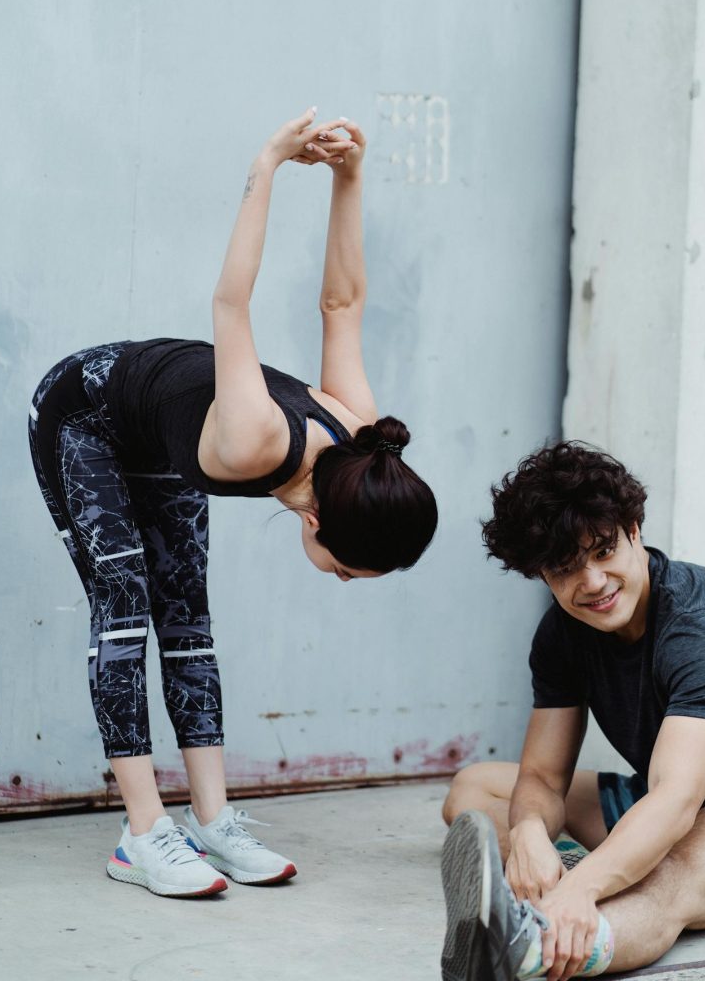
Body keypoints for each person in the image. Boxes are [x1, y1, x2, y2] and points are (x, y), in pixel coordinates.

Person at [29, 108, 437, 899]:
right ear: (315, 520)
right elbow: (230, 307)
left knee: (187, 611)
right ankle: (142, 833)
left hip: (159, 435)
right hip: (84, 416)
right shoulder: (255, 441)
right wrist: (268, 165)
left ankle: (211, 821)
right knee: (125, 601)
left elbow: (343, 305)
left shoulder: (356, 436)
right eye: (345, 571)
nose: (340, 581)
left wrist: (351, 176)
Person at [440, 441, 705, 981]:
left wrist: (583, 889)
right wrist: (531, 833)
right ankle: (572, 876)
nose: (592, 582)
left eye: (604, 551)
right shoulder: (562, 634)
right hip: (675, 797)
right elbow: (542, 776)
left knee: (668, 877)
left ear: (634, 531)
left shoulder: (703, 627)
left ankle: (524, 947)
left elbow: (675, 800)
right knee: (474, 789)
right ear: (541, 574)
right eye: (565, 568)